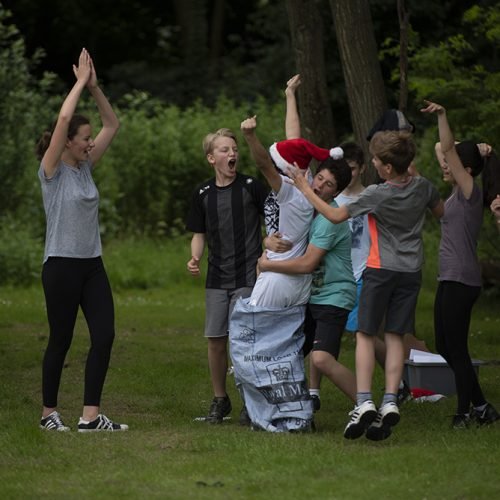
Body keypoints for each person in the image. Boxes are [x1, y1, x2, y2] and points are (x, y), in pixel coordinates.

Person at [289, 130, 444, 440]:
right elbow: (441, 213)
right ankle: (389, 400)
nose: (372, 162)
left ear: (387, 168)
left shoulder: (377, 193)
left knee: (365, 334)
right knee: (396, 335)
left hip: (379, 269)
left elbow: (334, 215)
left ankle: (363, 402)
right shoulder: (424, 188)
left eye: (375, 159)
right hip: (411, 271)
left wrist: (306, 188)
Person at [37, 48, 126, 432]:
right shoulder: (52, 171)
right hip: (60, 264)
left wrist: (93, 86)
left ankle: (90, 416)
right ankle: (48, 414)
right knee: (61, 340)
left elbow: (112, 124)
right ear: (68, 142)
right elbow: (63, 117)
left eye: (90, 140)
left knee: (104, 335)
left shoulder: (87, 168)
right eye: (84, 139)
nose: (91, 143)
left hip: (92, 264)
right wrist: (76, 84)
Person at [421, 100, 500, 428]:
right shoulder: (458, 190)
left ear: (466, 170)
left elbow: (447, 147)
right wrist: (482, 150)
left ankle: (464, 412)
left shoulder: (470, 192)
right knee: (445, 346)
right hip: (450, 278)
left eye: (452, 163)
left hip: (462, 279)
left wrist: (442, 114)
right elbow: (443, 147)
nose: (445, 164)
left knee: (457, 348)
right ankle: (482, 407)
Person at [258, 156, 358, 409]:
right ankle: (309, 396)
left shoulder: (327, 219)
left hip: (334, 296)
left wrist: (268, 265)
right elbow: (283, 236)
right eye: (320, 178)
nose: (320, 186)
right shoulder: (309, 209)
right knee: (296, 352)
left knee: (322, 358)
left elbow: (306, 264)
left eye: (328, 185)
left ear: (336, 192)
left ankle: (366, 404)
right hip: (313, 294)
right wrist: (267, 242)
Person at [185, 127, 269, 424]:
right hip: (216, 277)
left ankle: (251, 401)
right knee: (216, 341)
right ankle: (221, 400)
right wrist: (195, 257)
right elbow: (199, 234)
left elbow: (273, 219)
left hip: (249, 275)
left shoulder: (251, 186)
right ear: (211, 158)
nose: (232, 153)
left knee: (244, 341)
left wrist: (268, 252)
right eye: (224, 150)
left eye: (234, 149)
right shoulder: (202, 193)